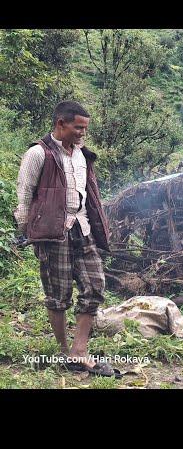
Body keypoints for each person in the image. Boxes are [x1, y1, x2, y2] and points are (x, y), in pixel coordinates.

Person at [14, 101, 118, 377]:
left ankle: (79, 350)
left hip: (81, 227)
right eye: (78, 127)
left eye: (85, 128)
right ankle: (64, 352)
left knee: (95, 285)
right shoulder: (38, 154)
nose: (83, 133)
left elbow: (89, 192)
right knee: (58, 295)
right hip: (51, 232)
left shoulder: (83, 155)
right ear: (61, 123)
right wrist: (27, 231)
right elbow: (24, 196)